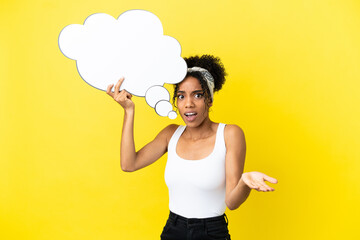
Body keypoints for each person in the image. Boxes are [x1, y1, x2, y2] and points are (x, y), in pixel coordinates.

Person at [106, 55, 278, 240]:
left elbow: (232, 202)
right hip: (173, 229)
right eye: (181, 96)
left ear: (210, 99)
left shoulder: (229, 134)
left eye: (198, 95)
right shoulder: (170, 134)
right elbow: (129, 164)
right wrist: (129, 110)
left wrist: (244, 182)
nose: (188, 103)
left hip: (211, 232)